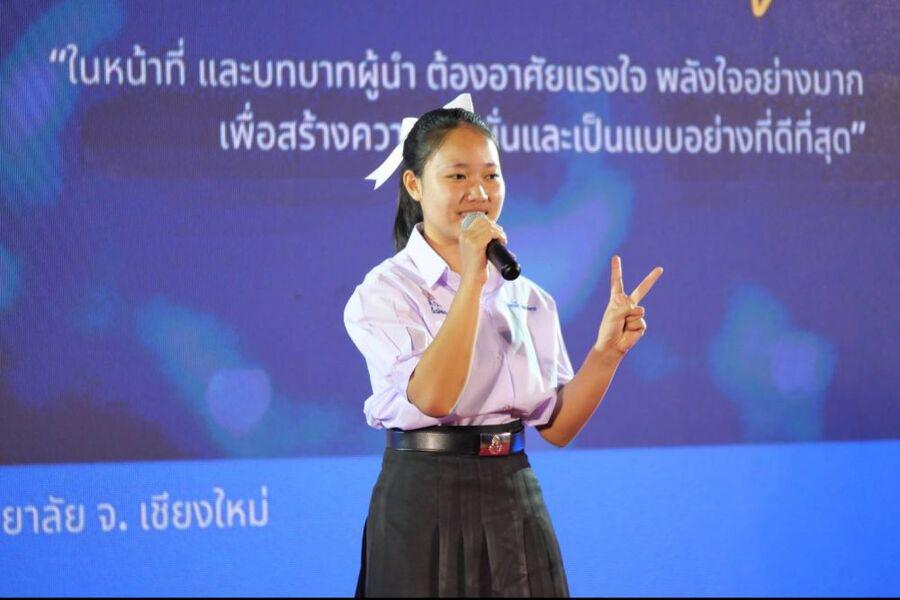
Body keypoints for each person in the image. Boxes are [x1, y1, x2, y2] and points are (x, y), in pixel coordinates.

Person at [344, 93, 663, 597]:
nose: (479, 191)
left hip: (513, 493)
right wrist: (471, 279)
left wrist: (606, 354)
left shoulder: (529, 296)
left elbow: (556, 427)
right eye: (457, 176)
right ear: (414, 185)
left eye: (491, 175)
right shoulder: (385, 291)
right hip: (422, 496)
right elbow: (433, 398)